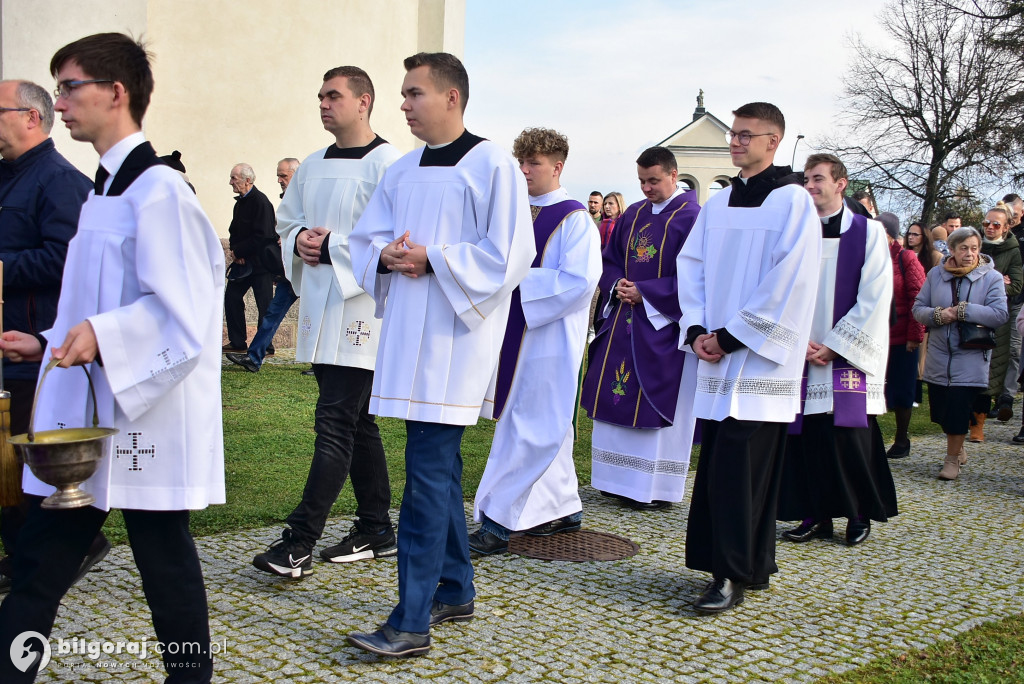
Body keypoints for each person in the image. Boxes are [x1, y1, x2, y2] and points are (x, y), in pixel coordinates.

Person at [0, 32, 225, 682]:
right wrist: (48, 341)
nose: (61, 103)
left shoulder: (160, 193)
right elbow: (101, 299)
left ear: (116, 93)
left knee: (166, 569)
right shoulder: (106, 192)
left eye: (70, 87)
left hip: (143, 419)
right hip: (94, 414)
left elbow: (185, 312)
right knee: (39, 570)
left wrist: (102, 335)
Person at [347, 52, 534, 657]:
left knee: (426, 474)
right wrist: (386, 256)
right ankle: (453, 587)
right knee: (440, 468)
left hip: (456, 339)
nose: (402, 104)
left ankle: (410, 620)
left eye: (413, 93)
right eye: (403, 94)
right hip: (407, 334)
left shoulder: (493, 165)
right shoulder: (401, 172)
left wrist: (435, 259)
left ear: (452, 97)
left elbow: (510, 254)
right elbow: (367, 239)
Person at [251, 67, 401, 579]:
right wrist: (297, 241)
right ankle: (377, 528)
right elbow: (287, 221)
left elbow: (395, 240)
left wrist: (331, 244)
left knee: (335, 420)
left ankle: (299, 541)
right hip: (320, 305)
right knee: (358, 423)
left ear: (364, 102)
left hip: (363, 309)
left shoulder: (391, 166)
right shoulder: (311, 165)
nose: (322, 104)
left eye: (333, 96)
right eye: (319, 96)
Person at [677, 102, 820, 614]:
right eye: (734, 135)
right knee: (721, 465)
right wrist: (696, 328)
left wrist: (732, 337)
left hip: (759, 361)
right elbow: (689, 264)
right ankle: (750, 564)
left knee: (744, 467)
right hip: (717, 356)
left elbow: (791, 280)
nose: (736, 142)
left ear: (773, 141)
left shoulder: (792, 201)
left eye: (746, 135)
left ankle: (730, 574)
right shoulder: (717, 203)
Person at [468, 128, 601, 554]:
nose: (524, 171)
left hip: (550, 340)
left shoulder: (575, 218)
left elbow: (579, 282)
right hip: (513, 331)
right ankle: (563, 507)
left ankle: (498, 522)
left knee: (532, 425)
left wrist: (513, 281)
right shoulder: (515, 211)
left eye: (534, 164)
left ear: (558, 166)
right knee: (539, 424)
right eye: (520, 163)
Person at [0, 79, 108, 594]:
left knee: (23, 460)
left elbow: (66, 259)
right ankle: (24, 556)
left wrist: (1, 268)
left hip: (32, 342)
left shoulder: (61, 181)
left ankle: (63, 550)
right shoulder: (7, 176)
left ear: (30, 118)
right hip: (9, 339)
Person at [776, 156, 898, 549]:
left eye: (818, 179)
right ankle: (816, 515)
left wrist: (835, 346)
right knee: (806, 437)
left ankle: (858, 513)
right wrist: (794, 340)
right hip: (801, 352)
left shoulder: (868, 232)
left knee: (848, 437)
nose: (810, 186)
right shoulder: (796, 231)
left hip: (844, 355)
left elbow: (876, 295)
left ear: (841, 184)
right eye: (807, 179)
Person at [581, 146, 700, 512]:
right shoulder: (632, 214)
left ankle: (652, 487)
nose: (646, 188)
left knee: (653, 403)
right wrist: (617, 285)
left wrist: (646, 291)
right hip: (623, 321)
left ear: (673, 175)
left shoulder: (693, 217)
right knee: (615, 392)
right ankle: (613, 480)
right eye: (641, 181)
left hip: (662, 327)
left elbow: (698, 276)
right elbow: (611, 259)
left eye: (654, 180)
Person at [913, 227, 1007, 480]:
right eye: (964, 248)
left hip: (972, 355)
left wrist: (964, 311)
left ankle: (951, 459)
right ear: (952, 250)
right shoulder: (936, 274)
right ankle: (958, 443)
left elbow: (999, 314)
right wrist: (937, 315)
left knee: (957, 407)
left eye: (974, 248)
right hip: (939, 355)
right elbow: (918, 307)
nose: (969, 253)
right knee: (942, 412)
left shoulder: (992, 278)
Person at [225, 157, 302, 374]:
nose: (279, 180)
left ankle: (321, 363)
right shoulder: (283, 199)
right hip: (287, 267)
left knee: (309, 316)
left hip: (297, 266)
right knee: (270, 312)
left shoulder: (302, 197)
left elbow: (266, 234)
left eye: (283, 175)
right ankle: (254, 355)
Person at [968, 203, 1022, 440]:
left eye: (996, 224)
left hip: (996, 318)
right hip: (969, 313)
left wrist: (992, 286)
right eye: (986, 223)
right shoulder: (972, 245)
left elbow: (1018, 285)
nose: (989, 227)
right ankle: (962, 420)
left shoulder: (1013, 250)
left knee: (989, 373)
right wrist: (1000, 280)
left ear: (1007, 226)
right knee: (967, 369)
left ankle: (977, 424)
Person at [879, 213, 927, 458]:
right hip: (876, 336)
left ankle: (901, 439)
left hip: (903, 336)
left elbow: (918, 297)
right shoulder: (868, 256)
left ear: (889, 233)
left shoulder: (905, 258)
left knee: (903, 390)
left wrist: (914, 336)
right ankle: (872, 440)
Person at [223, 162, 276, 353]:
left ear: (247, 180)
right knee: (232, 297)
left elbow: (264, 235)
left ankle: (265, 345)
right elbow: (233, 230)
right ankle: (237, 342)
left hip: (261, 265)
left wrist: (241, 252)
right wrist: (235, 252)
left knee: (265, 306)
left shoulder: (261, 202)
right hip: (242, 263)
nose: (230, 182)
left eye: (233, 178)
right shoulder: (240, 203)